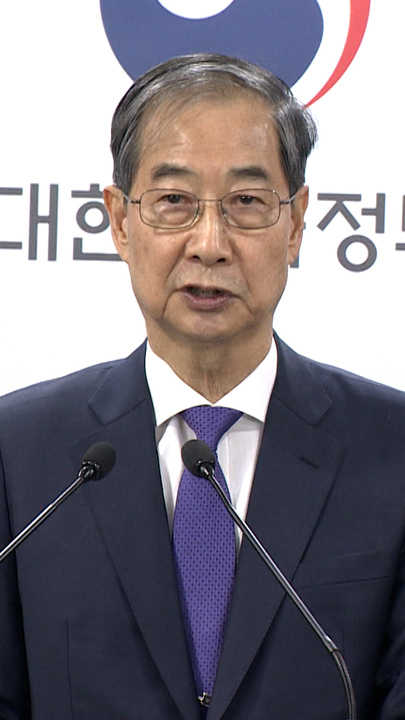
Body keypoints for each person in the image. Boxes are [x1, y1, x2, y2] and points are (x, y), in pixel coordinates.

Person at [1, 53, 405, 720]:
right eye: (173, 202)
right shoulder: (21, 454)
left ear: (296, 223)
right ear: (119, 221)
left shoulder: (391, 447)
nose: (209, 243)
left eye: (247, 202)